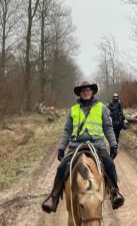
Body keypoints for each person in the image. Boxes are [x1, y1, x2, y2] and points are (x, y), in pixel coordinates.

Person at [42, 81, 124, 213]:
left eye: (88, 90)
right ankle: (54, 196)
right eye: (83, 90)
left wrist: (113, 144)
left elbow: (108, 128)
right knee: (62, 166)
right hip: (76, 146)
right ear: (80, 93)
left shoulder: (101, 107)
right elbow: (67, 131)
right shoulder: (73, 110)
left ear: (92, 92)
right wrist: (62, 147)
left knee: (109, 163)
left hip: (96, 145)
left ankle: (114, 192)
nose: (86, 92)